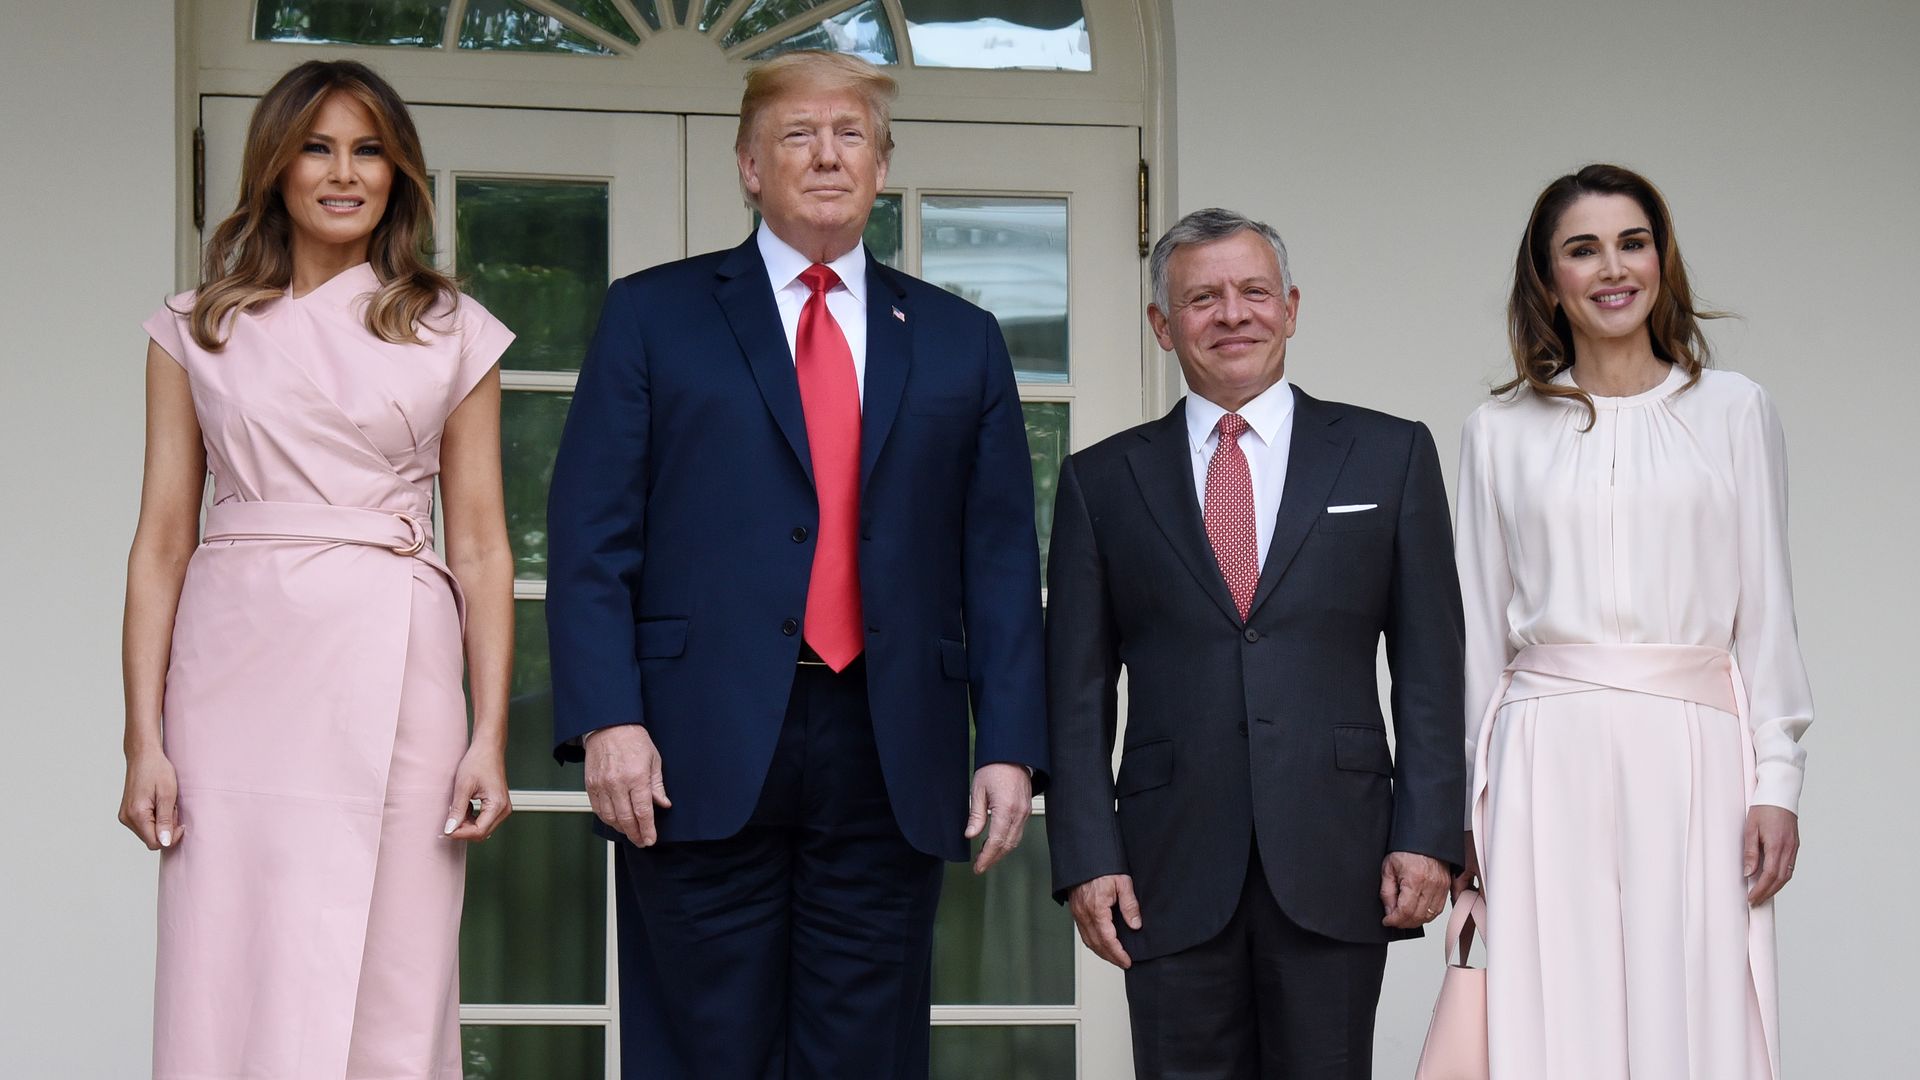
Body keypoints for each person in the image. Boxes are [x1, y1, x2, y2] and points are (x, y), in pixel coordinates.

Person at [544, 50, 1047, 1080]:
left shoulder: (961, 340)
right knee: (702, 1045)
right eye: (799, 135)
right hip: (690, 746)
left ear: (882, 161)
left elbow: (998, 558)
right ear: (748, 164)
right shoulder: (653, 316)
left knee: (866, 1049)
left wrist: (1010, 744)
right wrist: (608, 717)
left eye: (851, 134)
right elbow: (592, 538)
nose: (827, 156)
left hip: (891, 740)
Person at [120, 60, 515, 1079]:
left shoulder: (454, 329)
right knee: (230, 952)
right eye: (319, 146)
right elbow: (163, 537)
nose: (345, 173)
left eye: (370, 149)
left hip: (397, 661)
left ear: (399, 174)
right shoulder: (194, 328)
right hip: (237, 666)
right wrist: (142, 742)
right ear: (277, 167)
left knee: (395, 961)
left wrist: (490, 737)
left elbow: (478, 543)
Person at [1045, 207, 1465, 1080]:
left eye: (1253, 292)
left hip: (1340, 855)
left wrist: (1428, 833)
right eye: (1201, 298)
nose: (1231, 314)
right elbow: (1077, 691)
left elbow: (1430, 667)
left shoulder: (1389, 456)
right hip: (1165, 866)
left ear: (1292, 307)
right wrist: (1088, 856)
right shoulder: (1101, 480)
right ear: (1163, 325)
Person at [1456, 163, 1812, 1079]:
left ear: (1662, 260)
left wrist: (1779, 777)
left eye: (1633, 242)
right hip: (1543, 757)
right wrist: (1461, 802)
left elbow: (1767, 611)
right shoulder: (1497, 430)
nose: (1613, 268)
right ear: (1549, 279)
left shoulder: (1735, 412)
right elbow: (1475, 635)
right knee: (1550, 1014)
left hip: (1694, 754)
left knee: (1690, 1013)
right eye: (1583, 249)